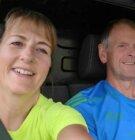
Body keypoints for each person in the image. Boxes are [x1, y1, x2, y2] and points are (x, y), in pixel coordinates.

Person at [0, 8, 92, 140]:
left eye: (42, 50)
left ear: (49, 65)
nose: (27, 56)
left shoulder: (61, 117)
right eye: (17, 43)